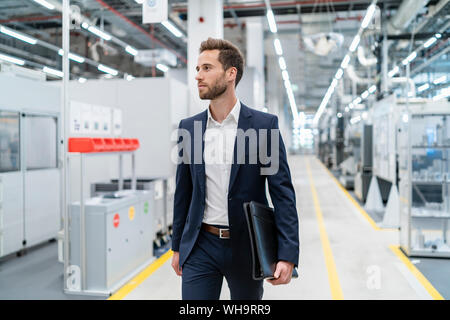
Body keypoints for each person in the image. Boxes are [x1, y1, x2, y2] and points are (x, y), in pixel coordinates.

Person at [171, 37, 299, 300]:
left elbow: (282, 192)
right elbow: (183, 192)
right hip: (200, 246)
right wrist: (176, 246)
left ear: (231, 74)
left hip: (247, 245)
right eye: (197, 69)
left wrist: (287, 254)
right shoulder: (189, 128)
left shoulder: (263, 127)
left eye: (207, 68)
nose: (198, 76)